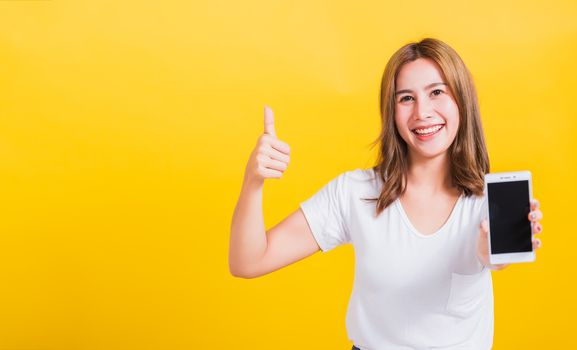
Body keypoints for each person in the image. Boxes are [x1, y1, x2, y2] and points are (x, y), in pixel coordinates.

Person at [228, 37, 544, 350]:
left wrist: (492, 254)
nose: (422, 112)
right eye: (406, 98)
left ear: (462, 100)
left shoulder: (487, 202)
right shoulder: (355, 193)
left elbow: (494, 258)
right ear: (391, 112)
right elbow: (248, 262)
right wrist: (253, 181)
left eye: (437, 92)